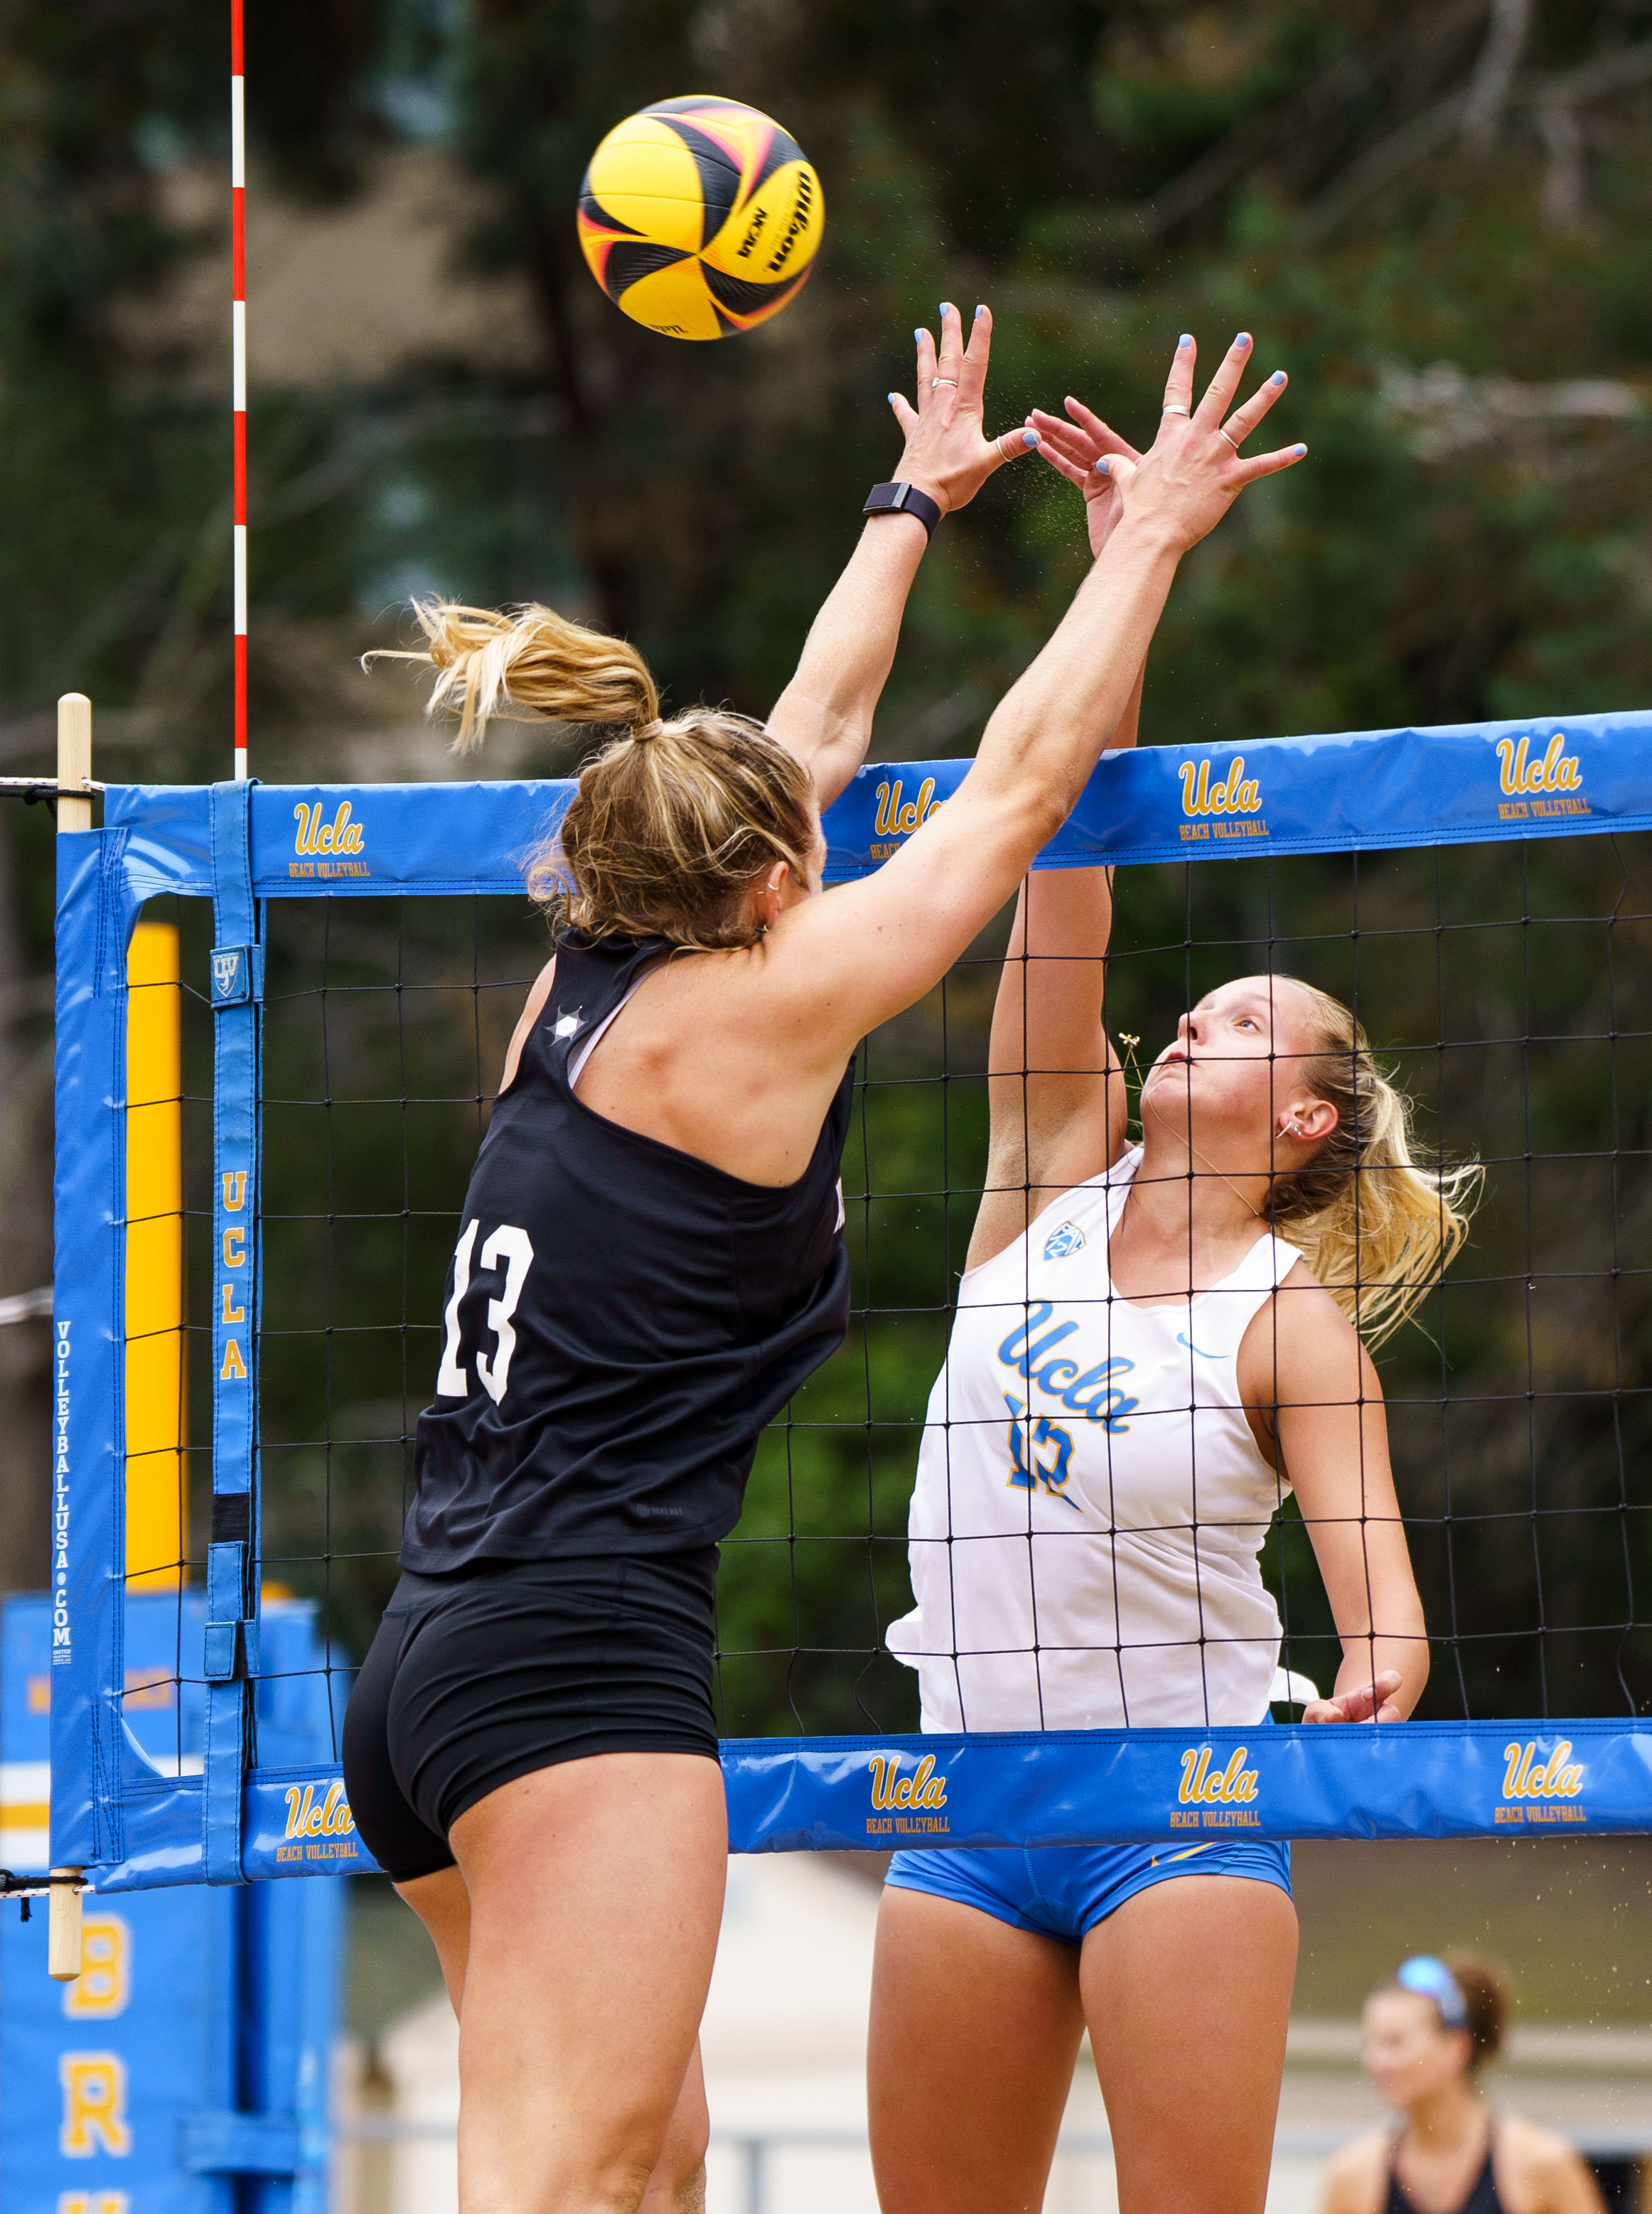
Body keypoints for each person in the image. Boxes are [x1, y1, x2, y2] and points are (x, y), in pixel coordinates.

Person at [337, 306, 1305, 2214]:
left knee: (648, 2166)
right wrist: (1150, 545)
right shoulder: (759, 1017)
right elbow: (1017, 782)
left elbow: (820, 730)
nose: (828, 841)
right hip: (573, 1670)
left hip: (429, 1669)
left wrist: (910, 504)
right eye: (807, 846)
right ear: (771, 887)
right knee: (579, 2185)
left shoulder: (590, 964)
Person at [862, 392, 1467, 2214]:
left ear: (1303, 1118)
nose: (1196, 1011)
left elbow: (1381, 1606)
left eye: (1248, 1019)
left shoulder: (1285, 1318)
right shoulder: (1052, 1167)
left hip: (1179, 1811)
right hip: (960, 1803)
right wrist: (1130, 550)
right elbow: (1062, 841)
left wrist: (1381, 1669)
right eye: (1198, 1005)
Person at [1316, 1952, 1607, 2214]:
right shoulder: (1353, 2177)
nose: (1376, 2061)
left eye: (1395, 2043)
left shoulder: (1539, 2165)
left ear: (1455, 2049)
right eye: (1372, 2043)